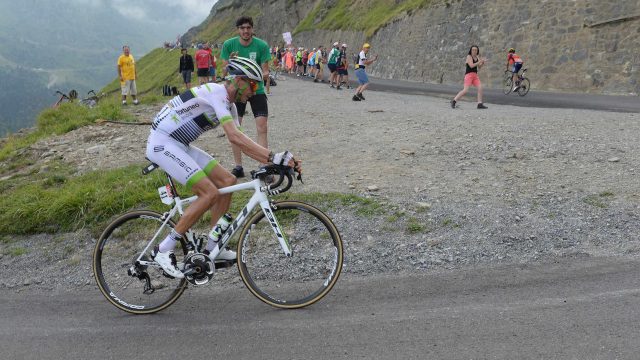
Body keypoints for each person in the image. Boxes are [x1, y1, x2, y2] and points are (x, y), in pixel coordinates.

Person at [146, 57, 302, 278]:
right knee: (208, 192)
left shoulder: (230, 105)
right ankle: (164, 250)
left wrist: (272, 162)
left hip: (179, 144)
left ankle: (212, 248)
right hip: (162, 143)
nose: (256, 90)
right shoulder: (217, 93)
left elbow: (240, 141)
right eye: (253, 84)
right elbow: (234, 136)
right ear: (239, 81)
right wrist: (274, 157)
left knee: (228, 181)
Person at [220, 16, 272, 178]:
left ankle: (263, 165)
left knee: (262, 126)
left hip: (256, 89)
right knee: (235, 127)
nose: (246, 31)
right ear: (238, 30)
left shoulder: (261, 45)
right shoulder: (229, 45)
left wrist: (253, 77)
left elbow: (265, 72)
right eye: (242, 28)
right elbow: (223, 72)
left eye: (248, 28)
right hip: (238, 90)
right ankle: (238, 166)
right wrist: (230, 62)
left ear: (252, 29)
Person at [451, 45, 488, 109]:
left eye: (475, 50)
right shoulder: (469, 56)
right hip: (469, 75)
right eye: (473, 50)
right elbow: (471, 65)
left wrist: (483, 63)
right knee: (465, 90)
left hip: (475, 75)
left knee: (480, 88)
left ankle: (479, 104)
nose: (474, 51)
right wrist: (480, 61)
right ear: (471, 50)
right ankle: (454, 101)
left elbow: (479, 67)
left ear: (477, 51)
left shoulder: (477, 57)